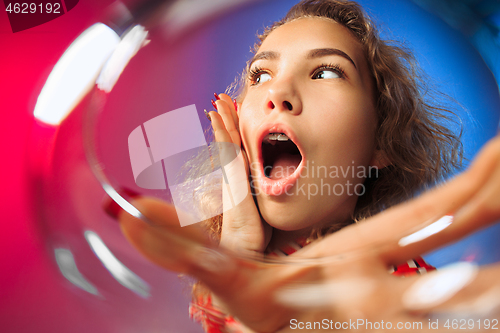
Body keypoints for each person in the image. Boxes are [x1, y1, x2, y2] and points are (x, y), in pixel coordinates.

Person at [111, 0, 500, 332]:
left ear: (380, 142)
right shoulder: (201, 282)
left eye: (326, 72)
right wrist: (238, 258)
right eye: (260, 75)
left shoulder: (397, 293)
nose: (277, 92)